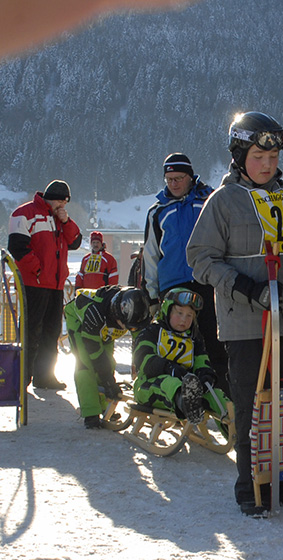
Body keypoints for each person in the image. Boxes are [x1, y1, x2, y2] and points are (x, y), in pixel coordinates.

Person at [187, 111, 283, 517]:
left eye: (273, 157)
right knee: (252, 405)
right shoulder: (223, 202)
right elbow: (199, 258)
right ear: (240, 157)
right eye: (258, 157)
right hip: (245, 322)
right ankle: (251, 484)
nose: (267, 165)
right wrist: (242, 286)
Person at [143, 152, 225, 393]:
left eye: (178, 178)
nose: (174, 184)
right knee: (176, 342)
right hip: (173, 285)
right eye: (169, 179)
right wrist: (151, 295)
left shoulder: (209, 201)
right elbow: (150, 255)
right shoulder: (158, 211)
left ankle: (221, 393)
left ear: (190, 177)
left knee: (213, 340)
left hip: (206, 281)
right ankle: (179, 393)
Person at [8, 179, 82, 390]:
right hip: (35, 283)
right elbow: (17, 247)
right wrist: (37, 269)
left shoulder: (60, 219)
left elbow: (75, 241)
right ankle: (22, 376)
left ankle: (45, 376)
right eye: (61, 202)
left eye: (65, 203)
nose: (63, 206)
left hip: (55, 284)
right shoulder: (25, 213)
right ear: (52, 199)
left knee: (52, 331)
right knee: (31, 330)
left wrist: (66, 221)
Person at [132, 287, 225, 426]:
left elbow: (201, 361)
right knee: (170, 383)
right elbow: (143, 360)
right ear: (167, 311)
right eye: (179, 313)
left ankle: (237, 426)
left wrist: (206, 375)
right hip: (148, 386)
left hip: (188, 387)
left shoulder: (194, 338)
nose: (183, 319)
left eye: (189, 315)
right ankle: (187, 405)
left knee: (216, 395)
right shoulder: (151, 332)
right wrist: (168, 368)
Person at [63, 285, 151, 428]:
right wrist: (108, 380)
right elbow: (94, 353)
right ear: (117, 314)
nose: (129, 330)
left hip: (105, 330)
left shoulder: (138, 313)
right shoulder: (94, 313)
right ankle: (90, 412)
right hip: (81, 324)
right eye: (127, 326)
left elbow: (143, 343)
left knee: (109, 363)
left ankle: (105, 406)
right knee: (85, 366)